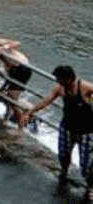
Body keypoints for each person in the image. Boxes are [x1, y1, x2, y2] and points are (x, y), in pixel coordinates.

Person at [21, 65, 93, 195]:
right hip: (67, 127)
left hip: (85, 130)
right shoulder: (60, 88)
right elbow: (46, 100)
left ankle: (90, 186)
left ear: (68, 79)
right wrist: (30, 112)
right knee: (63, 154)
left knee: (86, 163)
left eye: (59, 78)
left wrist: (89, 101)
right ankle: (64, 172)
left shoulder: (84, 87)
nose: (57, 81)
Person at [0, 31, 33, 124]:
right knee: (10, 95)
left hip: (22, 69)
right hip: (17, 69)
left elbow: (16, 43)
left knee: (12, 98)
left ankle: (24, 119)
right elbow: (7, 63)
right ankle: (10, 116)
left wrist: (4, 47)